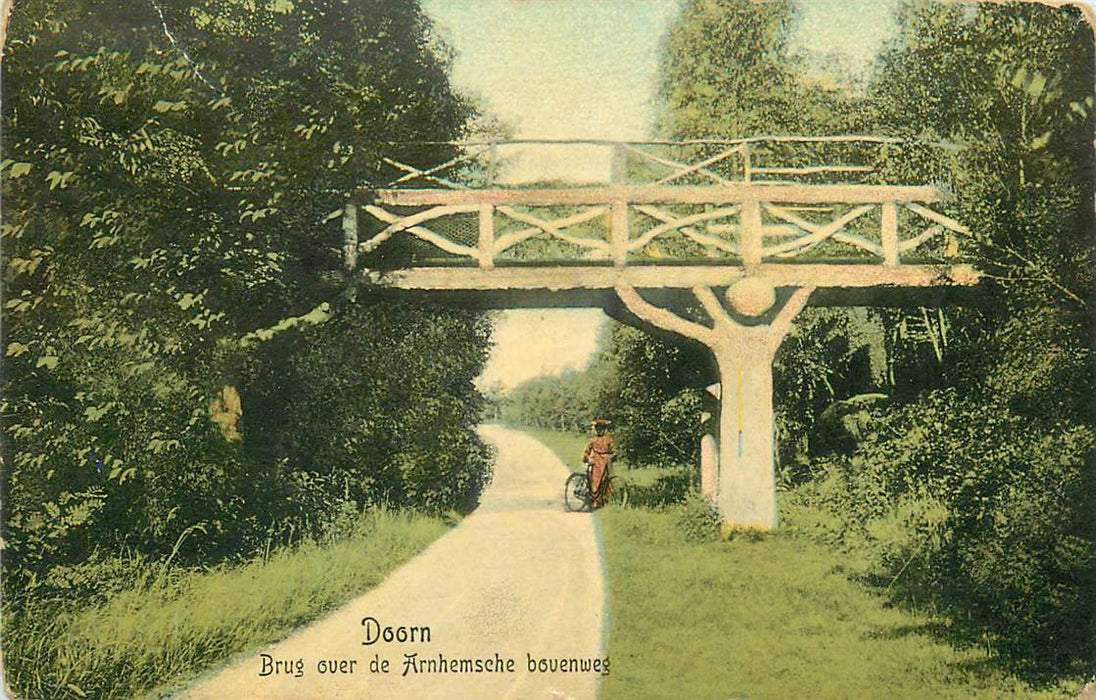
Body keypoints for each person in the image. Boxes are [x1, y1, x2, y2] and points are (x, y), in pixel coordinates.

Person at [582, 419, 614, 508]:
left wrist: (611, 456)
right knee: (595, 481)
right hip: (596, 461)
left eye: (601, 429)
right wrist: (587, 459)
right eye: (598, 429)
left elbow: (613, 451)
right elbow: (587, 451)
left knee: (606, 480)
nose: (600, 431)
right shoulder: (593, 440)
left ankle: (604, 499)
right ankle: (594, 500)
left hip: (606, 461)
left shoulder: (608, 440)